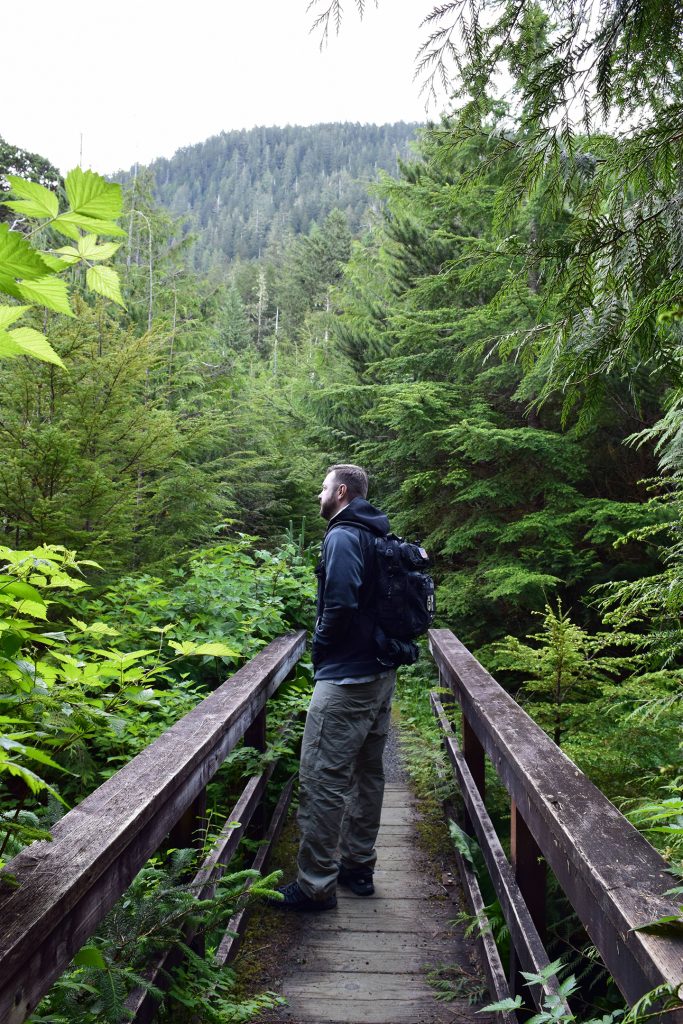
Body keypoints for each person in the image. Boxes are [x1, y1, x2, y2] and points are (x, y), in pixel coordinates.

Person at [273, 463, 397, 911]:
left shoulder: (344, 535)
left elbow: (340, 603)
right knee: (368, 774)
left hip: (346, 678)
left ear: (340, 491)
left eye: (322, 488)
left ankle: (315, 885)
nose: (317, 495)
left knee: (323, 778)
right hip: (380, 672)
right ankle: (357, 867)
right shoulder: (379, 533)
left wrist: (320, 648)